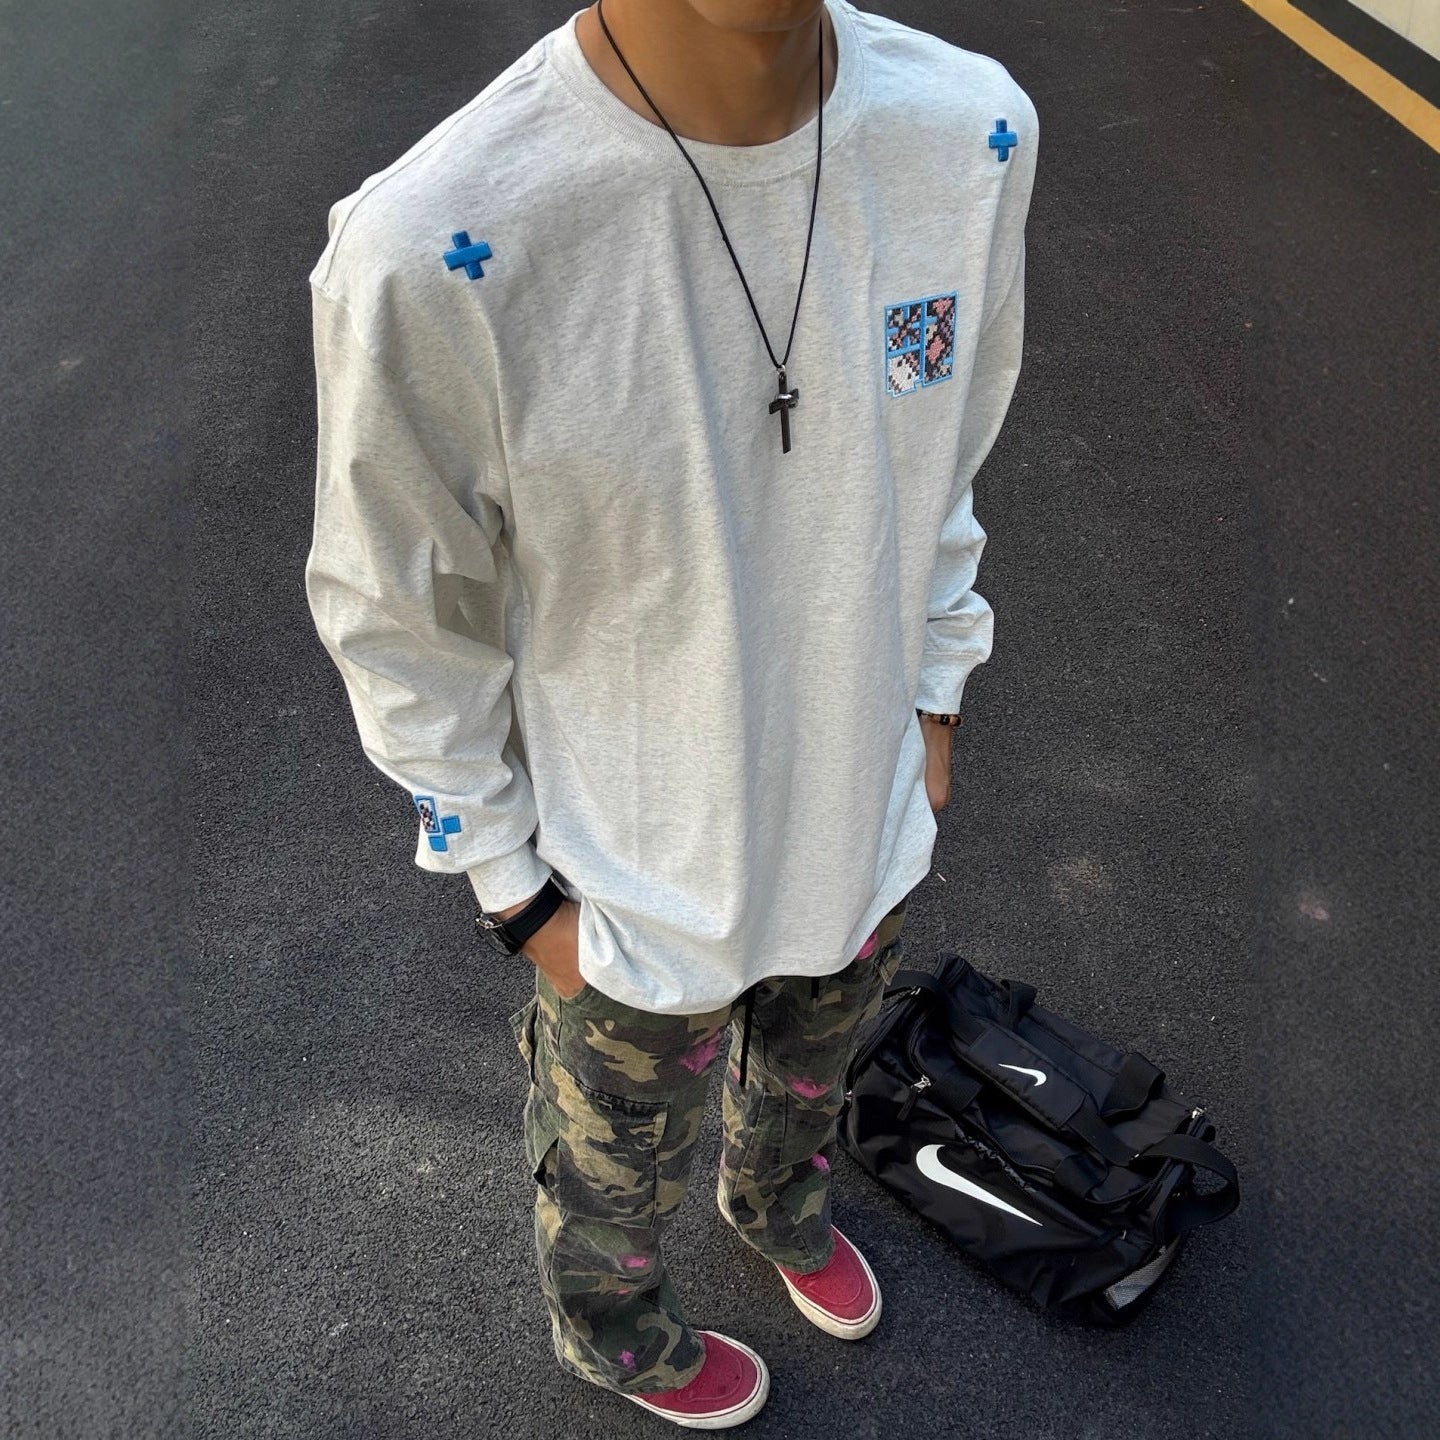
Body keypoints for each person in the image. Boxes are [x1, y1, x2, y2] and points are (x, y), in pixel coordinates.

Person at [305, 0, 1036, 1426]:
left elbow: (947, 454)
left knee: (808, 1087)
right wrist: (513, 890)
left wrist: (935, 698)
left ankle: (779, 1208)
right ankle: (616, 1335)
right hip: (625, 880)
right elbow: (395, 615)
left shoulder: (975, 133)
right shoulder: (437, 243)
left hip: (864, 823)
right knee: (611, 1168)